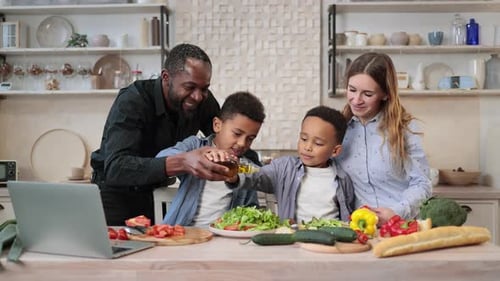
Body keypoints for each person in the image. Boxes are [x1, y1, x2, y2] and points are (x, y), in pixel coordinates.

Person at [90, 43, 251, 225]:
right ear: (166, 77)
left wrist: (261, 168)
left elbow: (226, 138)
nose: (198, 96)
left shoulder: (202, 101)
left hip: (156, 193)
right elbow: (116, 168)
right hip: (116, 198)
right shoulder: (133, 101)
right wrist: (183, 161)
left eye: (204, 88)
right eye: (189, 87)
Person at [337, 52, 432, 226]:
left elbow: (422, 183)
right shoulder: (339, 128)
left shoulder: (404, 129)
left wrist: (397, 212)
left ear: (386, 94)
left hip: (400, 226)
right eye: (352, 90)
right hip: (357, 229)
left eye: (367, 94)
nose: (356, 100)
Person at [225, 105, 355, 223]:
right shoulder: (285, 168)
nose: (307, 147)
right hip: (293, 242)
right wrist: (236, 169)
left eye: (318, 143)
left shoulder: (343, 179)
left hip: (330, 241)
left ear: (335, 151)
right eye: (304, 139)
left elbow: (347, 214)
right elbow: (257, 173)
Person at [156, 91, 266, 227]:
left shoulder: (245, 169)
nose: (242, 143)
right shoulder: (194, 145)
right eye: (237, 133)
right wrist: (192, 157)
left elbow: (251, 209)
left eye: (250, 138)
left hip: (223, 241)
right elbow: (160, 159)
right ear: (217, 125)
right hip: (184, 234)